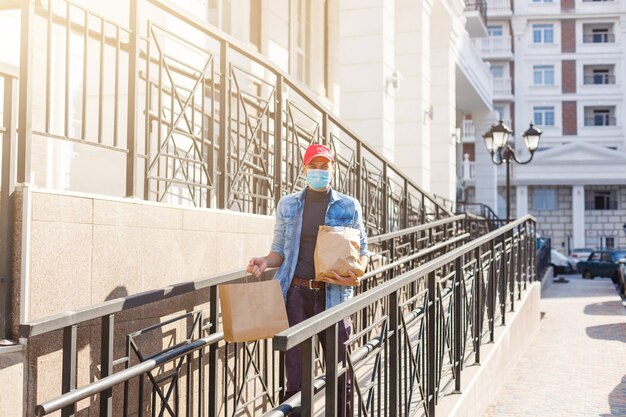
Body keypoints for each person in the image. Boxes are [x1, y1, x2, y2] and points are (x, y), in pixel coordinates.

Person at [246, 143, 369, 414]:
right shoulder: (288, 205)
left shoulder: (349, 206)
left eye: (324, 167)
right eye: (314, 166)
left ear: (333, 169)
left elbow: (363, 251)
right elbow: (279, 250)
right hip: (296, 296)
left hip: (334, 297)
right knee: (296, 378)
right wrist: (265, 261)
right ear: (305, 169)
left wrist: (357, 275)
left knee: (341, 373)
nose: (319, 171)